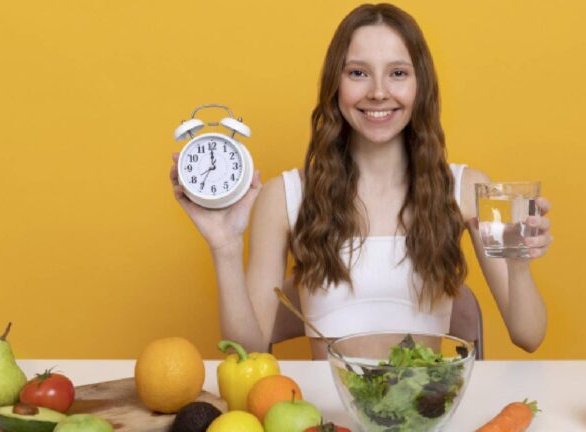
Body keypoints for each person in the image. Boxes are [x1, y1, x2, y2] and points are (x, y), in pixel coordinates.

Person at [170, 3, 551, 359]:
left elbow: (528, 335)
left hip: (424, 415)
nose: (379, 92)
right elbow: (247, 350)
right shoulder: (284, 196)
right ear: (336, 85)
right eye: (358, 73)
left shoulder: (466, 189)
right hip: (329, 422)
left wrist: (519, 263)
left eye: (398, 73)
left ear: (421, 86)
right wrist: (224, 246)